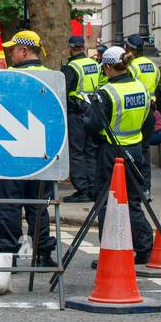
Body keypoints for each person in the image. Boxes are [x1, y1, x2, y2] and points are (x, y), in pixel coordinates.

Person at [0, 31, 56, 266]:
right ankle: (42, 254)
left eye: (12, 50)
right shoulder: (53, 77)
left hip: (11, 152)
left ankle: (9, 255)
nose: (10, 54)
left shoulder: (9, 76)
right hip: (42, 153)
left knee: (8, 204)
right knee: (38, 203)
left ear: (24, 50)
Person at [86, 46, 153, 261]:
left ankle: (111, 251)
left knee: (107, 202)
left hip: (111, 151)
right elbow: (148, 120)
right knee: (133, 200)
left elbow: (92, 124)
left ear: (107, 67)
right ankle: (144, 248)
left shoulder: (107, 93)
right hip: (135, 148)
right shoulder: (141, 88)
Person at [62, 35, 100, 203]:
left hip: (76, 113)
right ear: (83, 47)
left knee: (77, 152)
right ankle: (93, 188)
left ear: (71, 48)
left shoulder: (72, 67)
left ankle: (82, 189)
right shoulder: (94, 64)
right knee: (91, 151)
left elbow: (62, 90)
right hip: (92, 111)